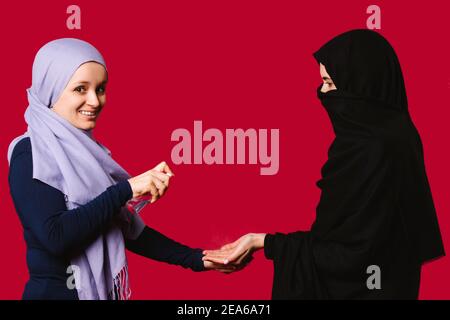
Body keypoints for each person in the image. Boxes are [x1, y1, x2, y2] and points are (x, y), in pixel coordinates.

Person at [203, 29, 445, 299]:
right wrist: (264, 241)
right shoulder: (401, 135)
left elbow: (352, 257)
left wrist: (264, 242)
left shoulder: (371, 148)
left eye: (330, 83)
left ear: (360, 84)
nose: (323, 93)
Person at [7, 38, 233, 300]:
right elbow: (56, 237)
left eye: (100, 89)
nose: (95, 101)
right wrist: (127, 188)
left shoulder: (89, 156)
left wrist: (197, 259)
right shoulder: (31, 152)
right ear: (51, 89)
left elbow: (123, 229)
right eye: (81, 89)